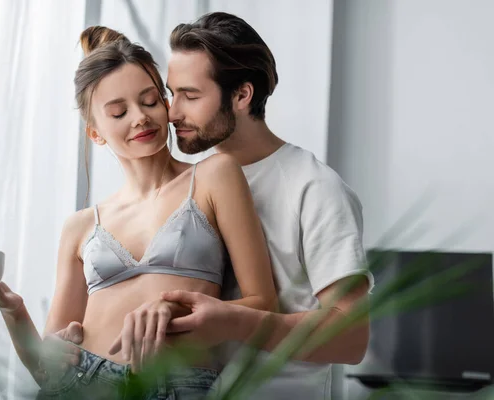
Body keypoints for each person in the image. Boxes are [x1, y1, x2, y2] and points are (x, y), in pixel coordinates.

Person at [57, 12, 375, 399]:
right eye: (170, 95)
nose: (171, 113)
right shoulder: (197, 185)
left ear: (241, 95)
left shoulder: (314, 188)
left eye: (190, 96)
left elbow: (352, 340)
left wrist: (232, 321)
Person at [0, 26, 278, 400]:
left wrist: (174, 307)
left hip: (177, 385)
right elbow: (48, 370)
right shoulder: (81, 226)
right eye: (118, 112)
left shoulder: (215, 175)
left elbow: (263, 304)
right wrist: (15, 312)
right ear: (95, 133)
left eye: (150, 101)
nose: (140, 118)